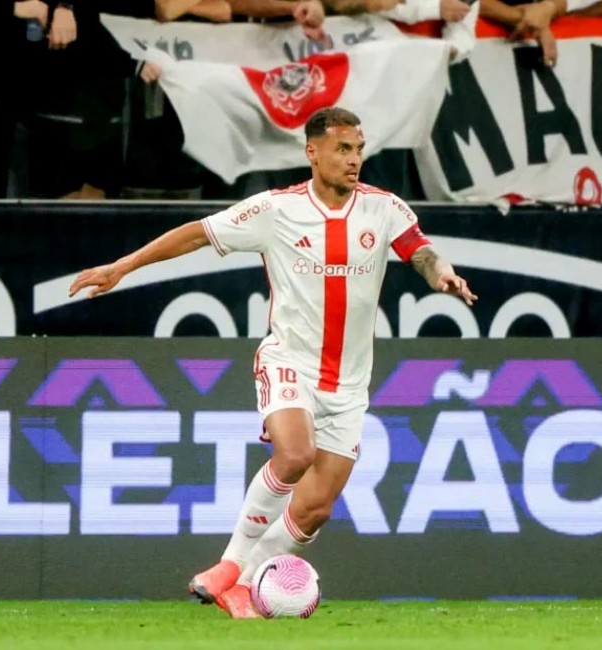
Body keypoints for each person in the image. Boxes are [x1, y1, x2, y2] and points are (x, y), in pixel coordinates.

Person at [68, 107, 477, 618]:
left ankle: (241, 585)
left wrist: (443, 274)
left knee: (315, 507)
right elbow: (196, 233)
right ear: (313, 152)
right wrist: (121, 267)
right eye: (343, 149)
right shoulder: (275, 210)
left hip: (349, 385)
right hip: (289, 362)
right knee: (294, 454)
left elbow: (420, 250)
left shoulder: (384, 207)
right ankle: (230, 566)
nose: (354, 160)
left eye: (359, 149)